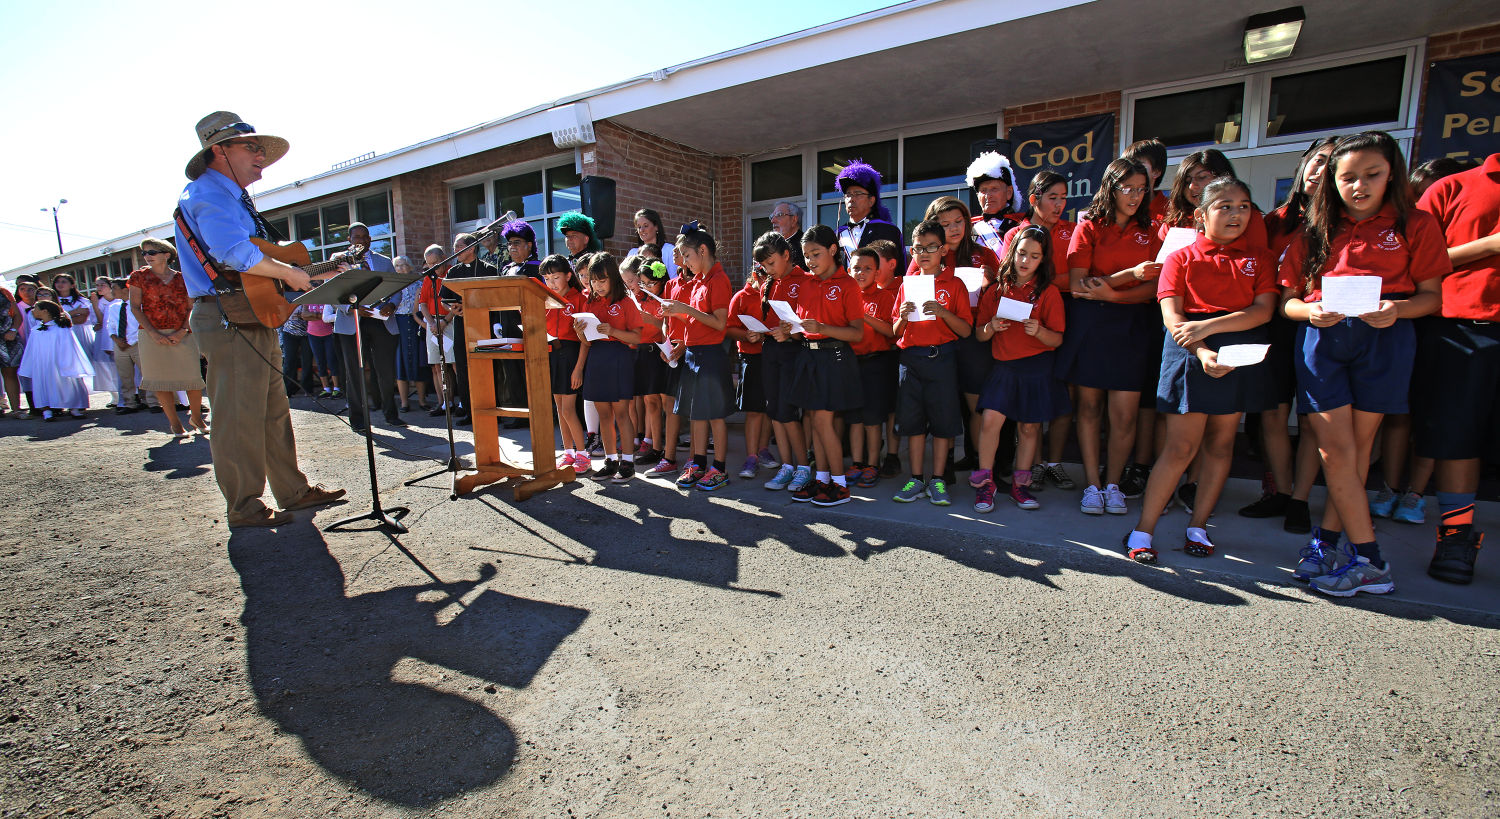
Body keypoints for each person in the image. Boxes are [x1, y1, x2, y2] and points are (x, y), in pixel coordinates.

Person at [1278, 131, 1447, 597]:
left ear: (1391, 172)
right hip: (1324, 341)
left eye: (1371, 175)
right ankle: (1370, 559)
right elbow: (1287, 302)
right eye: (1348, 177)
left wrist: (1398, 310)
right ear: (1332, 180)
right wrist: (1308, 311)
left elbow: (1432, 297)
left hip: (1385, 338)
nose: (1359, 186)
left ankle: (1328, 544)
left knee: (1354, 451)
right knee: (1335, 451)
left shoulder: (1417, 224)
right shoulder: (1314, 229)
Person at [175, 111, 344, 528]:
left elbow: (251, 262)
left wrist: (303, 271)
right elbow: (232, 252)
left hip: (248, 313)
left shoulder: (229, 196)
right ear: (219, 151)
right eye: (250, 147)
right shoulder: (208, 194)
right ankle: (244, 506)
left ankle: (292, 490)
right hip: (227, 315)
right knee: (237, 415)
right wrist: (288, 272)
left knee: (271, 409)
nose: (260, 156)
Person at [1123, 177, 1278, 563]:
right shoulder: (1181, 258)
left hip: (1236, 349)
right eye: (1224, 206)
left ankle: (1199, 526)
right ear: (1200, 215)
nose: (1235, 214)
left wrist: (1209, 328)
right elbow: (1174, 318)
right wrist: (1204, 350)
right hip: (1190, 352)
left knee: (1222, 444)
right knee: (1180, 447)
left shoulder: (1258, 258)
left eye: (1243, 206)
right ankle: (1143, 530)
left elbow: (1263, 311)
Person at [1241, 137, 1340, 534]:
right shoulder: (1274, 220)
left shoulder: (1339, 222)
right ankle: (1280, 492)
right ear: (1304, 163)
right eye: (1317, 161)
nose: (1320, 171)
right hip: (1275, 327)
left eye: (1331, 166)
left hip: (1324, 326)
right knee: (1273, 415)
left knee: (1315, 419)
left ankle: (1301, 499)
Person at [1055, 158, 1163, 517]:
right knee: (1088, 408)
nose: (1134, 196)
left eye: (1141, 188)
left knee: (1125, 415)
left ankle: (1113, 483)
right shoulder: (1088, 226)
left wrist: (1112, 292)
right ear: (1110, 188)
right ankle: (1091, 483)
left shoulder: (1153, 230)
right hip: (1091, 325)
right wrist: (1126, 275)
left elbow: (1154, 288)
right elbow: (1077, 285)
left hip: (1133, 323)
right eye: (1126, 188)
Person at [1412, 151, 1500, 585]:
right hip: (1464, 329)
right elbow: (1411, 261)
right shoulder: (1452, 187)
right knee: (1457, 437)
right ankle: (1456, 536)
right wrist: (1490, 245)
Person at [970, 226, 1069, 513]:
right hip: (1003, 367)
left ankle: (1020, 486)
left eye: (1034, 256)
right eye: (1022, 253)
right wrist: (991, 327)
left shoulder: (1049, 293)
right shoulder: (996, 289)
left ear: (1043, 260)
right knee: (991, 421)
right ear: (1012, 253)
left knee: (1029, 427)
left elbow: (1057, 339)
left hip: (1037, 368)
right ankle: (985, 484)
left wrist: (1039, 331)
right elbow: (980, 334)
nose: (1026, 260)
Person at [774, 224, 865, 506]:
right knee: (814, 422)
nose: (810, 261)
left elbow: (857, 333)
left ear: (833, 250)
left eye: (816, 254)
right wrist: (788, 331)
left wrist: (824, 327)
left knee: (824, 422)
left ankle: (840, 485)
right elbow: (804, 327)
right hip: (808, 356)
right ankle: (823, 479)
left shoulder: (848, 284)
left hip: (834, 358)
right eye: (806, 255)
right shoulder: (806, 284)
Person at [1004, 171, 1079, 492]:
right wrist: (1060, 280)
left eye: (1064, 198)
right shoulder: (1016, 234)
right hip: (1022, 323)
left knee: (1062, 393)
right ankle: (1031, 466)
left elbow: (1076, 278)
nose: (1060, 204)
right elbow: (1010, 276)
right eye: (1053, 197)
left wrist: (1059, 282)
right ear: (1034, 199)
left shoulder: (1072, 231)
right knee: (1028, 400)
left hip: (1066, 316)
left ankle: (1054, 463)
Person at [890, 218, 973, 506]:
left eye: (931, 247)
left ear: (944, 250)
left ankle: (937, 479)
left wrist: (943, 312)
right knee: (913, 424)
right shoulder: (907, 285)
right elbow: (894, 332)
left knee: (942, 422)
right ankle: (916, 478)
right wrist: (902, 315)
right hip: (910, 360)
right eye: (917, 248)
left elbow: (965, 330)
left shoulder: (955, 284)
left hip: (942, 359)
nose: (923, 253)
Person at [661, 223, 734, 491]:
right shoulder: (698, 282)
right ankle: (698, 463)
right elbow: (696, 318)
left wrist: (685, 308)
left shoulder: (719, 280)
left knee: (715, 415)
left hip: (711, 355)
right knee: (696, 414)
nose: (685, 262)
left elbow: (718, 324)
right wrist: (674, 313)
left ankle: (720, 468)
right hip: (692, 354)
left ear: (702, 251)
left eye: (687, 256)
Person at [752, 232, 816, 494]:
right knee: (775, 411)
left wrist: (790, 332)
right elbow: (773, 321)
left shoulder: (805, 280)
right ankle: (787, 465)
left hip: (795, 353)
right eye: (763, 266)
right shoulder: (770, 283)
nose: (768, 269)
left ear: (786, 255)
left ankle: (803, 467)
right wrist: (759, 332)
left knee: (789, 413)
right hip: (771, 352)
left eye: (771, 263)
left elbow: (808, 325)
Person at [575, 253, 643, 483]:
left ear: (613, 278)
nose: (597, 285)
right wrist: (579, 332)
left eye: (602, 280)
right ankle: (610, 459)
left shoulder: (626, 302)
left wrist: (613, 332)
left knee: (621, 413)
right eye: (593, 280)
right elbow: (587, 341)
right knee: (604, 415)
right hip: (598, 358)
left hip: (620, 358)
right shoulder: (590, 303)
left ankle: (628, 463)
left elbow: (636, 338)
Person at [128, 238, 208, 437]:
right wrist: (153, 334)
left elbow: (192, 307)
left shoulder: (183, 278)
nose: (147, 256)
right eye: (145, 253)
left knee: (192, 379)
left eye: (152, 252)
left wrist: (182, 330)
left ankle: (196, 417)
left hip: (183, 332)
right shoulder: (138, 277)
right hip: (151, 335)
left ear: (166, 254)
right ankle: (175, 424)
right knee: (159, 380)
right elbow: (135, 308)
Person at [330, 222, 403, 433]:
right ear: (349, 239)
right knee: (355, 372)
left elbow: (397, 288)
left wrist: (392, 304)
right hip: (352, 322)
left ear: (370, 239)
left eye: (365, 237)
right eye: (357, 237)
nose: (362, 240)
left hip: (381, 321)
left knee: (386, 371)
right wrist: (352, 308)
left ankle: (391, 414)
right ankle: (358, 419)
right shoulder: (338, 260)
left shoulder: (384, 261)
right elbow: (333, 292)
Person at [845, 244, 899, 488]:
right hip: (851, 364)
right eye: (856, 268)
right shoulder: (845, 296)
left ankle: (872, 463)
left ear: (877, 273)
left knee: (873, 419)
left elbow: (891, 332)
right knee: (855, 418)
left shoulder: (885, 297)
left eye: (868, 269)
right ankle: (857, 462)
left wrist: (863, 315)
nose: (861, 273)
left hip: (877, 364)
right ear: (849, 270)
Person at [540, 254, 589, 474]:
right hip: (551, 353)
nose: (551, 283)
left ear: (569, 276)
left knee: (569, 409)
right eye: (547, 278)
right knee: (559, 408)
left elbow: (585, 340)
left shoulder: (579, 298)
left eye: (556, 277)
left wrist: (579, 367)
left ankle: (583, 454)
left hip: (571, 354)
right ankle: (568, 452)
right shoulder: (545, 300)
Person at [494, 220, 543, 426]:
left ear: (529, 245)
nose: (512, 247)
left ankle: (537, 411)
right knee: (511, 370)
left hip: (529, 326)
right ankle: (519, 412)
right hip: (507, 325)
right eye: (509, 243)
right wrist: (497, 322)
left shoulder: (537, 268)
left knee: (530, 371)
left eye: (517, 242)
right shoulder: (507, 268)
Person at [726, 258, 771, 479]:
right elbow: (729, 328)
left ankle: (764, 449)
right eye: (762, 276)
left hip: (772, 357)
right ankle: (751, 456)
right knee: (754, 410)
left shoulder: (773, 293)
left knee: (768, 409)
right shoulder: (741, 297)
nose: (764, 281)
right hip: (751, 358)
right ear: (754, 275)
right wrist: (747, 335)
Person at [630, 259, 676, 470]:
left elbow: (667, 327)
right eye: (642, 283)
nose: (646, 287)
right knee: (651, 403)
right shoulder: (639, 299)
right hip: (644, 353)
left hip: (662, 352)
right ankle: (656, 447)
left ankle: (669, 452)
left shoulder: (666, 299)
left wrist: (649, 319)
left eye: (650, 283)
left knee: (668, 403)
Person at [18, 301, 92, 420]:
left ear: (45, 311)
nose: (33, 311)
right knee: (44, 385)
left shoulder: (62, 329)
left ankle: (74, 408)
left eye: (36, 308)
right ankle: (47, 411)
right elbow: (31, 349)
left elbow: (69, 347)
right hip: (42, 364)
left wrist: (67, 362)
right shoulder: (36, 330)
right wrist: (30, 365)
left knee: (67, 383)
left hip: (60, 362)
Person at [835, 160, 905, 271]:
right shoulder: (838, 233)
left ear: (871, 201)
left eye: (857, 194)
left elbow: (899, 270)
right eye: (848, 194)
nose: (851, 199)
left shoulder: (888, 230)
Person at [415, 244, 455, 415]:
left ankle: (462, 403)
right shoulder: (427, 278)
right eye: (429, 264)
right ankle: (444, 403)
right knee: (437, 366)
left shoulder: (452, 273)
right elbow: (422, 303)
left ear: (444, 259)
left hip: (450, 321)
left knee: (454, 363)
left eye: (436, 263)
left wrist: (445, 321)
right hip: (432, 324)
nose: (433, 267)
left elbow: (457, 302)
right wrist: (431, 323)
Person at [390, 256, 429, 412]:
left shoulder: (419, 283)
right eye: (398, 266)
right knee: (401, 364)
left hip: (416, 323)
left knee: (419, 362)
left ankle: (422, 400)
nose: (401, 268)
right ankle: (404, 402)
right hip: (398, 324)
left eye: (404, 264)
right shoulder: (392, 286)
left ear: (410, 266)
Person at [967, 151, 1024, 255]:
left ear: (1009, 192)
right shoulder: (968, 228)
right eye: (983, 190)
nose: (988, 195)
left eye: (994, 189)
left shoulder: (1022, 224)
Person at [105, 285, 150, 414]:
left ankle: (152, 401)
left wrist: (132, 340)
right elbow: (111, 326)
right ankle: (129, 403)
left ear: (125, 289)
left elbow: (141, 324)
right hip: (120, 345)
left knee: (147, 373)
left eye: (115, 288)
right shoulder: (114, 307)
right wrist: (116, 339)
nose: (112, 291)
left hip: (137, 342)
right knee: (125, 376)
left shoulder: (139, 305)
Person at [87, 277, 121, 405]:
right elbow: (99, 322)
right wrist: (95, 305)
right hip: (103, 337)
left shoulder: (119, 300)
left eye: (102, 285)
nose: (99, 288)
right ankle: (115, 396)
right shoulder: (98, 303)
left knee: (121, 366)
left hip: (117, 335)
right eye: (97, 285)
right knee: (105, 366)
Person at [1123, 138, 1170, 223]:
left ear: (1156, 171)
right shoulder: (1118, 208)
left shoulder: (1171, 212)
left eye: (1137, 165)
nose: (1131, 170)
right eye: (1127, 165)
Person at [626, 208, 678, 278]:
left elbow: (674, 279)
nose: (642, 230)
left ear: (656, 227)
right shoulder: (632, 253)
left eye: (646, 226)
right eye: (639, 227)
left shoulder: (669, 250)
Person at [769, 202, 806, 270]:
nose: (773, 220)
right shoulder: (772, 245)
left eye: (779, 215)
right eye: (772, 216)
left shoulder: (806, 245)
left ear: (794, 219)